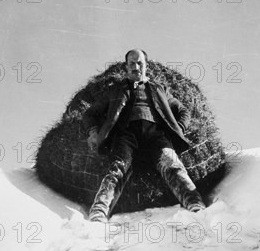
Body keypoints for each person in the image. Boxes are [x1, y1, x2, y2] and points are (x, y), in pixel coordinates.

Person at [82, 49, 206, 223]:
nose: (136, 66)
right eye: (131, 63)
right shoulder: (115, 90)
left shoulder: (160, 89)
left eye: (139, 63)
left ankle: (196, 205)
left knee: (172, 164)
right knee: (117, 168)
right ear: (126, 66)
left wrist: (177, 129)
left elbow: (183, 110)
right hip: (126, 135)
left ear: (146, 65)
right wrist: (93, 133)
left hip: (156, 135)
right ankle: (99, 213)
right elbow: (89, 114)